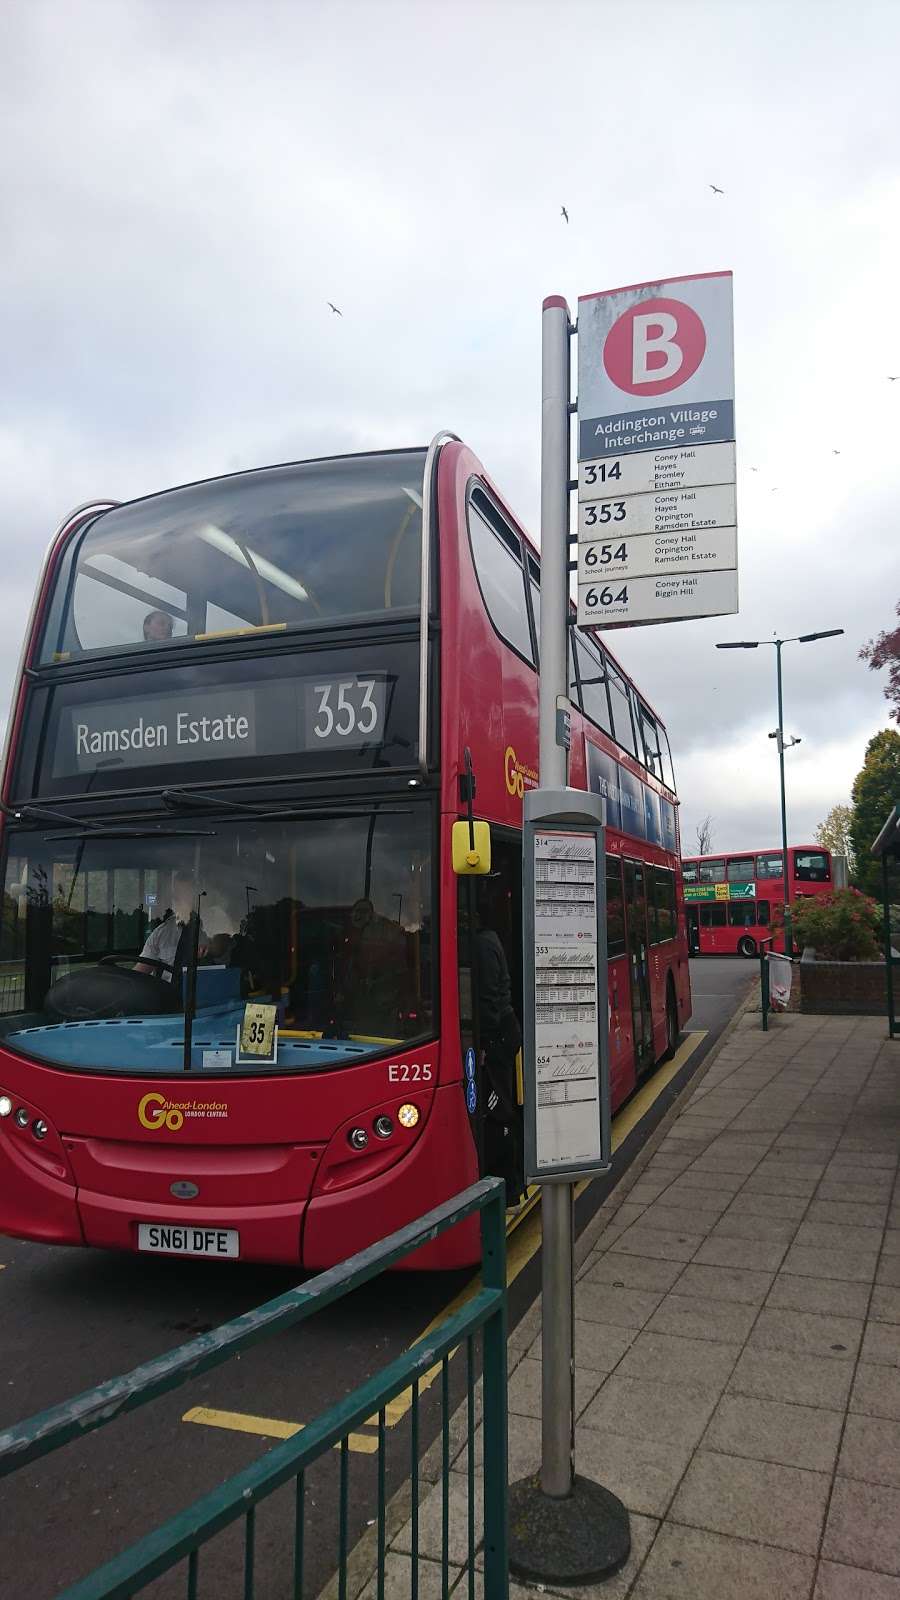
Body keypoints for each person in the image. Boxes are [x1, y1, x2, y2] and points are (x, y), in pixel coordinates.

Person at [475, 887, 524, 1205]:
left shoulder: (480, 944)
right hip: (505, 1033)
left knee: (499, 1111)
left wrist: (484, 1041)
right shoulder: (490, 939)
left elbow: (490, 999)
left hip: (499, 1039)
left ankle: (509, 1187)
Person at [135, 870, 208, 985]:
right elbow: (140, 972)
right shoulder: (161, 933)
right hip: (168, 997)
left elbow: (220, 945)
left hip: (209, 996)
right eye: (178, 896)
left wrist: (208, 945)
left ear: (198, 895)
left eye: (186, 895)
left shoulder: (215, 921)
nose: (181, 901)